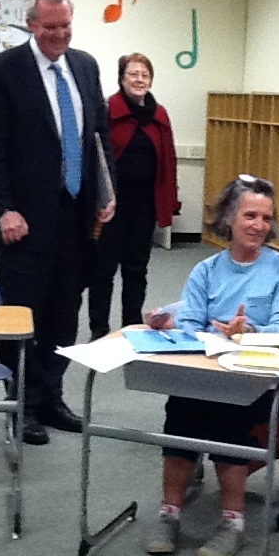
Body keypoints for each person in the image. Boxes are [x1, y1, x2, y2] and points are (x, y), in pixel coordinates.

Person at [0, 0, 115, 446]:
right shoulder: (4, 71)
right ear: (32, 24)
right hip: (25, 219)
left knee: (64, 312)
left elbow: (99, 137)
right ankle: (22, 402)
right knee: (21, 312)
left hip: (76, 216)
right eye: (51, 27)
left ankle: (51, 395)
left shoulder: (85, 66)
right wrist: (4, 210)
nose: (60, 34)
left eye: (66, 25)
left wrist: (106, 191)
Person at [144, 175, 279, 556]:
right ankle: (169, 513)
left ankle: (232, 522)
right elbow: (190, 322)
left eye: (266, 218)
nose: (259, 226)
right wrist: (178, 324)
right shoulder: (206, 270)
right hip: (212, 372)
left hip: (271, 381)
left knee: (228, 413)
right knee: (180, 407)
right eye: (250, 216)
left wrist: (250, 332)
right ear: (229, 218)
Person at [88, 53, 180, 341]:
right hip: (111, 206)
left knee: (136, 269)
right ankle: (99, 328)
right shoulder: (106, 110)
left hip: (144, 205)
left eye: (145, 75)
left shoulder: (159, 115)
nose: (139, 80)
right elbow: (95, 158)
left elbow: (168, 160)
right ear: (122, 78)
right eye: (133, 74)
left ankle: (131, 324)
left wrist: (169, 200)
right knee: (103, 269)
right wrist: (97, 200)